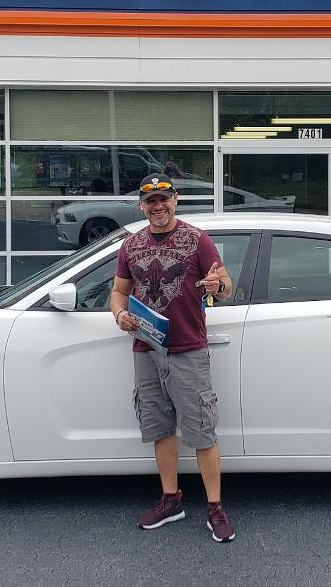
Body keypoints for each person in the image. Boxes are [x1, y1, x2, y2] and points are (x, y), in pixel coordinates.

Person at [110, 172, 236, 542]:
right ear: (141, 205)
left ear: (175, 200)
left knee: (201, 430)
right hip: (146, 348)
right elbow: (118, 292)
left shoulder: (197, 240)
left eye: (164, 198)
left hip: (188, 349)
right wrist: (119, 314)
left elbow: (226, 286)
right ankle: (171, 500)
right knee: (160, 428)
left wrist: (217, 285)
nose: (158, 206)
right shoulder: (131, 246)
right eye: (150, 200)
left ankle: (214, 507)